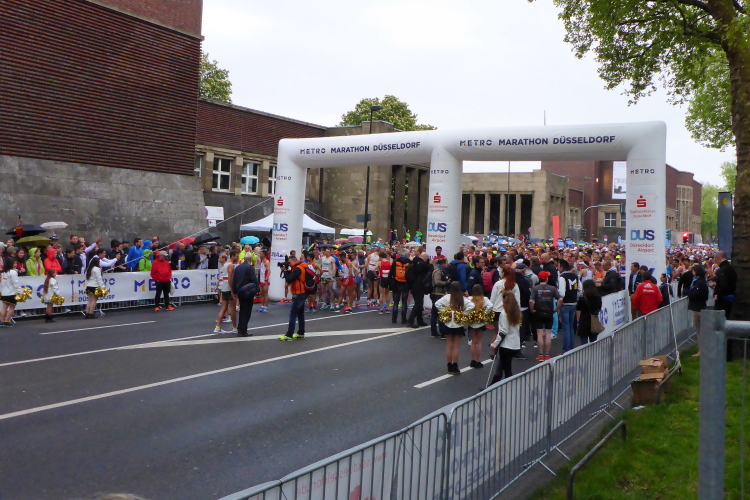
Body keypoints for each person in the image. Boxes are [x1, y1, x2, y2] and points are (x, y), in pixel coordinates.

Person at [435, 281, 474, 375]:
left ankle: (449, 367)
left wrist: (446, 311)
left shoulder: (447, 297)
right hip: (458, 324)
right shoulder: (462, 298)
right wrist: (463, 313)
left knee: (449, 346)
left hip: (449, 323)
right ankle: (455, 367)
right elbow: (472, 306)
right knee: (456, 347)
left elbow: (437, 304)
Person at [489, 291, 523, 384]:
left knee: (507, 370)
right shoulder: (517, 312)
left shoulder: (504, 313)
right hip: (515, 344)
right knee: (500, 367)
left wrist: (495, 343)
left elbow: (503, 331)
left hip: (506, 345)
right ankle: (491, 386)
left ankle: (508, 387)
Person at [529, 271, 562, 361]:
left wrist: (532, 310)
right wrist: (556, 309)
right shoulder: (552, 288)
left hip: (538, 312)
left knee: (539, 333)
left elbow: (531, 301)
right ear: (546, 278)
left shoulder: (535, 288)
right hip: (549, 312)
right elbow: (560, 299)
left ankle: (540, 355)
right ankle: (547, 355)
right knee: (548, 333)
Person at [278, 253, 311, 341]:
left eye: (289, 262)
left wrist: (285, 271)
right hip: (302, 292)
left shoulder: (297, 269)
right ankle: (301, 332)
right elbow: (294, 276)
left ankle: (289, 335)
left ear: (293, 261)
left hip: (298, 293)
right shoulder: (301, 267)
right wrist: (287, 271)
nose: (288, 264)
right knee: (300, 313)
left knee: (293, 314)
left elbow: (289, 279)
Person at [232, 253, 259, 337]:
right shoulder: (250, 268)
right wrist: (256, 290)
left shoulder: (238, 267)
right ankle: (243, 330)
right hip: (247, 291)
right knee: (247, 311)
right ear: (250, 259)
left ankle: (240, 328)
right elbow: (254, 279)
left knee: (242, 310)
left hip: (239, 290)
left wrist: (234, 291)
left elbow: (234, 279)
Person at [558, 260, 580, 353]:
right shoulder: (575, 276)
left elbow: (562, 293)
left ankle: (566, 348)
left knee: (566, 327)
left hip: (565, 304)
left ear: (562, 267)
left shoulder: (562, 277)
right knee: (570, 326)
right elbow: (580, 289)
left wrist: (559, 300)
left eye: (559, 266)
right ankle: (571, 347)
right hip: (573, 303)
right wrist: (575, 297)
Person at [468, 284, 492, 368]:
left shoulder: (469, 299)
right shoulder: (484, 299)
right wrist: (484, 314)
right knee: (478, 342)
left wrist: (469, 314)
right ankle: (478, 361)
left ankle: (472, 361)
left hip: (472, 322)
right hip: (480, 323)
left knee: (473, 342)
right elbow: (490, 305)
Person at [687, 264, 709, 357]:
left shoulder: (699, 282)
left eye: (693, 271)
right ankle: (703, 349)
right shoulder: (702, 281)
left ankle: (702, 351)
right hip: (700, 307)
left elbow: (695, 294)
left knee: (699, 331)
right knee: (700, 330)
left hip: (698, 308)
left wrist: (687, 292)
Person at [213, 252, 237, 334]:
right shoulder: (230, 265)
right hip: (228, 288)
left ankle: (217, 327)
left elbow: (222, 278)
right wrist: (232, 290)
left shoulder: (223, 266)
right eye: (236, 256)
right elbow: (230, 278)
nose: (238, 257)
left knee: (224, 307)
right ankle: (234, 327)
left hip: (224, 288)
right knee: (232, 308)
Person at [406, 252, 431, 328]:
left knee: (419, 303)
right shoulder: (423, 264)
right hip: (419, 285)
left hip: (414, 285)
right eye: (427, 257)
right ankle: (410, 320)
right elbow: (430, 269)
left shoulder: (414, 262)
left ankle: (420, 320)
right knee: (418, 303)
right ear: (425, 257)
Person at [576, 280, 603, 345]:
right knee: (594, 343)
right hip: (594, 322)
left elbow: (578, 309)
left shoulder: (582, 299)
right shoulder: (598, 297)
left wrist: (578, 320)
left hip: (584, 322)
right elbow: (599, 308)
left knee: (584, 344)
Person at [389, 249, 411, 324]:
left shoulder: (395, 261)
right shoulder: (409, 262)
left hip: (396, 282)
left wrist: (391, 283)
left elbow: (391, 272)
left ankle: (394, 319)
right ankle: (403, 319)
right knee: (404, 302)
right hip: (405, 283)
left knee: (396, 302)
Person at [712, 251, 736, 320]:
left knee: (719, 319)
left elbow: (724, 284)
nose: (715, 262)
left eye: (715, 260)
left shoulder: (723, 270)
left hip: (723, 299)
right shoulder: (730, 268)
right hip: (729, 297)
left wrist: (718, 294)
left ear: (719, 258)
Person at [430, 257, 450, 338]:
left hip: (438, 293)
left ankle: (434, 332)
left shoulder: (439, 270)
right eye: (446, 263)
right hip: (437, 293)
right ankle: (442, 332)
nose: (447, 265)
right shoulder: (438, 271)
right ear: (443, 264)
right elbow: (436, 282)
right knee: (439, 313)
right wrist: (446, 282)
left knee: (435, 313)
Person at [0, 256, 21, 327]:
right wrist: (19, 291)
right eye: (14, 263)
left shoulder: (3, 272)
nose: (15, 265)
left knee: (4, 307)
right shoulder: (13, 272)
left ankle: (2, 321)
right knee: (12, 307)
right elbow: (15, 283)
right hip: (11, 292)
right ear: (10, 264)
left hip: (4, 292)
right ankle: (6, 321)